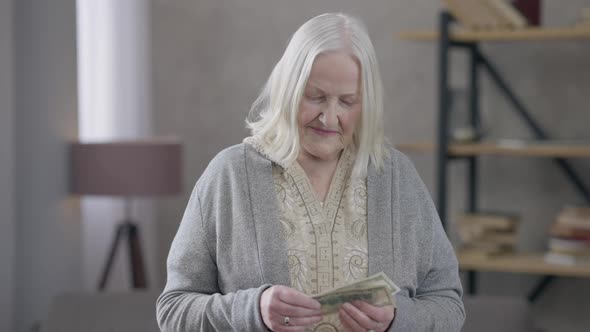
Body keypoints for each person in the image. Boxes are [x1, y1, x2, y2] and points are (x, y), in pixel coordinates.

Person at [156, 12, 465, 332]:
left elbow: (449, 305)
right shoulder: (229, 175)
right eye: (315, 97)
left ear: (366, 103)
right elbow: (174, 310)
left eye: (347, 101)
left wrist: (400, 319)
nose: (329, 118)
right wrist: (252, 310)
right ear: (288, 89)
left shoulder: (397, 178)